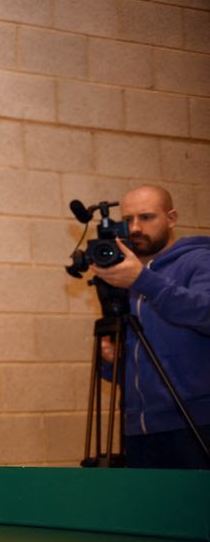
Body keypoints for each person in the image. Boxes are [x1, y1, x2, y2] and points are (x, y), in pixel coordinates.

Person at [92, 185, 210, 469]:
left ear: (171, 218)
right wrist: (111, 361)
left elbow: (205, 312)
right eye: (128, 219)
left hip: (195, 423)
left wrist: (143, 281)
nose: (135, 228)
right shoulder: (125, 279)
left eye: (146, 217)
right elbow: (137, 366)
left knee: (196, 513)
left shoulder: (198, 260)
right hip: (139, 429)